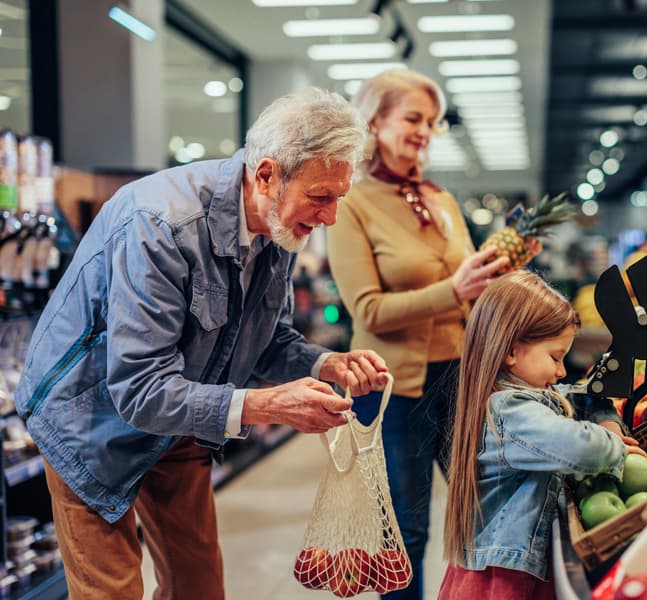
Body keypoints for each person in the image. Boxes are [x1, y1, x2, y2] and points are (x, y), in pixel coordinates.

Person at [13, 88, 390, 599]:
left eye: (338, 198)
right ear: (266, 175)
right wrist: (264, 405)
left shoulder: (277, 227)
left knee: (199, 588)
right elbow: (140, 388)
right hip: (89, 419)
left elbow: (265, 337)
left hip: (183, 413)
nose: (330, 217)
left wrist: (325, 363)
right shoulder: (160, 225)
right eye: (321, 197)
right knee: (112, 591)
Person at [326, 69, 508, 599]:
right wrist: (454, 290)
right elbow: (368, 310)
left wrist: (495, 275)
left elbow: (468, 287)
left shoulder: (440, 199)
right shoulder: (350, 202)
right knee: (404, 531)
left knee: (484, 509)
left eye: (431, 121)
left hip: (459, 377)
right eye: (412, 118)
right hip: (391, 391)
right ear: (374, 121)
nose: (424, 130)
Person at [441, 270, 647, 599]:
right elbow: (577, 447)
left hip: (512, 569)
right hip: (502, 582)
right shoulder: (509, 411)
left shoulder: (519, 396)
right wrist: (615, 448)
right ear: (511, 352)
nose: (562, 371)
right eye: (555, 357)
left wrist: (601, 409)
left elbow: (570, 396)